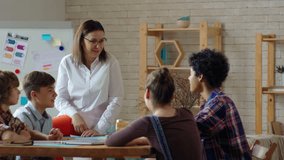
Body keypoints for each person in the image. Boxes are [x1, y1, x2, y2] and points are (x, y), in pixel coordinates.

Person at [106, 68, 202, 160]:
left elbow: (111, 141)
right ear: (173, 96)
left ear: (147, 93)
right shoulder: (186, 113)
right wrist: (145, 139)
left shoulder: (148, 123)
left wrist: (138, 140)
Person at [54, 19, 124, 136]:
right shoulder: (67, 62)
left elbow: (116, 100)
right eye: (93, 41)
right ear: (81, 41)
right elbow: (60, 98)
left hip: (99, 126)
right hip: (70, 121)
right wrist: (74, 115)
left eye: (102, 41)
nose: (98, 46)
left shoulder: (111, 62)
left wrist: (98, 129)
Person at [188, 48, 251, 159]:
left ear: (200, 76)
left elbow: (191, 130)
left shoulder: (219, 103)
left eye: (191, 74)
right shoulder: (212, 103)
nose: (188, 78)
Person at [13, 71, 63, 141]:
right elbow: (26, 146)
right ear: (34, 95)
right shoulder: (22, 116)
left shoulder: (48, 118)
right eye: (50, 90)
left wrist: (53, 136)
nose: (55, 94)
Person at [0, 70, 31, 160]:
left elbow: (25, 131)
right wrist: (22, 138)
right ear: (4, 91)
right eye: (15, 88)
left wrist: (19, 137)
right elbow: (8, 137)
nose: (19, 92)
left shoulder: (7, 115)